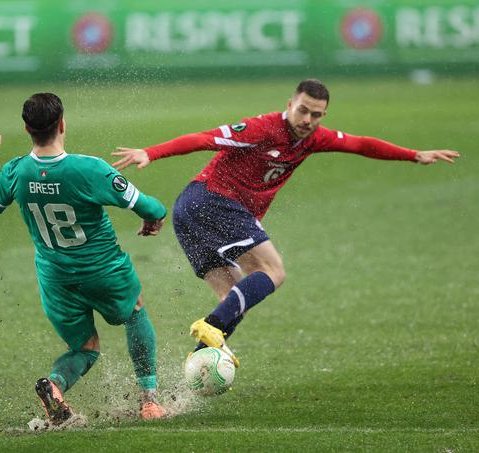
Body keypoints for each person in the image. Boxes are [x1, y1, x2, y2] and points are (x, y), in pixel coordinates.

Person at [112, 79, 459, 366]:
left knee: (235, 301)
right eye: (303, 110)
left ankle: (201, 364)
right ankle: (211, 326)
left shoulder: (314, 138)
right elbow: (203, 139)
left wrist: (414, 155)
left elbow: (360, 144)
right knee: (273, 271)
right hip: (212, 202)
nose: (308, 119)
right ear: (290, 103)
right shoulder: (262, 128)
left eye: (316, 115)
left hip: (190, 211)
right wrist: (151, 152)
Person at [0, 93, 167, 423]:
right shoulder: (88, 169)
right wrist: (153, 219)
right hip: (102, 269)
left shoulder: (16, 171)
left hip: (56, 279)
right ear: (62, 124)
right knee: (135, 311)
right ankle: (149, 401)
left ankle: (55, 385)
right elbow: (153, 208)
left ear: (26, 129)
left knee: (85, 348)